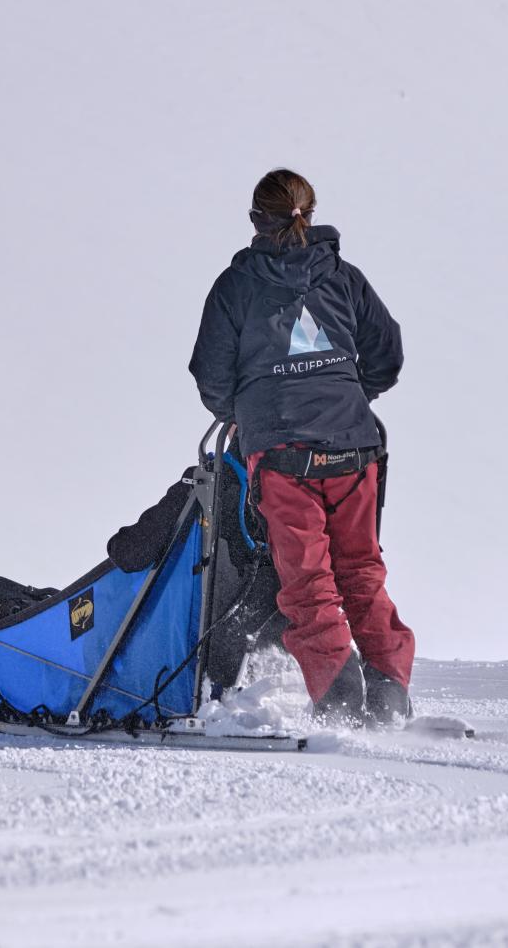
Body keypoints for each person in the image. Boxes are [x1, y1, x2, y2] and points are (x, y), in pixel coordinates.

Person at [188, 169, 415, 724]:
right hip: (355, 448)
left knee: (308, 583)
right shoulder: (344, 276)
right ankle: (389, 699)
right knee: (361, 570)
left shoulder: (235, 286)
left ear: (255, 220)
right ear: (308, 215)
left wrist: (240, 413)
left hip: (283, 454)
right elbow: (386, 353)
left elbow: (211, 373)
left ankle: (339, 702)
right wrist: (347, 395)